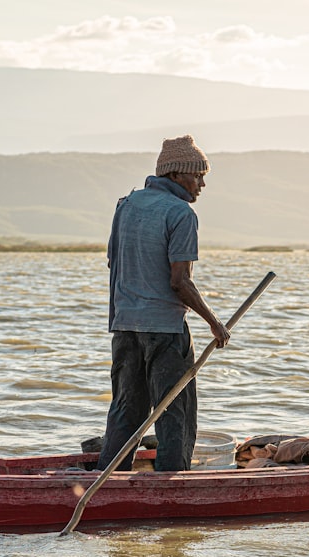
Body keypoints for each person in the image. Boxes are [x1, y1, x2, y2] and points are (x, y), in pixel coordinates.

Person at [97, 135, 230, 473]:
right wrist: (214, 322)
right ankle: (173, 484)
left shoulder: (125, 205)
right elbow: (179, 281)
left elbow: (115, 265)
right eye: (197, 176)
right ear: (175, 175)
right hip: (165, 332)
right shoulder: (180, 213)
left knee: (126, 408)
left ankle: (110, 476)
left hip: (125, 327)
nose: (201, 184)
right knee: (175, 414)